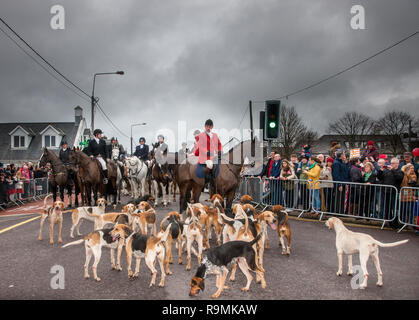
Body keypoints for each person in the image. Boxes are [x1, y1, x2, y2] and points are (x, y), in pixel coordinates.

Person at [194, 119, 222, 193]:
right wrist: (208, 153)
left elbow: (219, 144)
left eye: (210, 126)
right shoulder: (200, 136)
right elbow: (200, 146)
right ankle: (207, 184)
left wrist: (219, 151)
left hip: (214, 155)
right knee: (209, 165)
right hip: (205, 156)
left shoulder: (215, 135)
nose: (208, 128)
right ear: (205, 126)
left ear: (212, 127)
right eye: (207, 126)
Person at [376, 157, 404, 229]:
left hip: (394, 192)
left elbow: (399, 178)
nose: (391, 165)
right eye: (391, 163)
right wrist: (380, 171)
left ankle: (395, 224)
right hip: (385, 192)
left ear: (397, 164)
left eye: (393, 163)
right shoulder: (386, 171)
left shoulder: (399, 171)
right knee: (386, 208)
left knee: (394, 208)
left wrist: (392, 170)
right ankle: (389, 222)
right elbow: (379, 177)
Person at [399, 163, 418, 229]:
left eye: (413, 168)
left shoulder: (414, 175)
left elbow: (412, 183)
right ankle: (404, 223)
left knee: (410, 210)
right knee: (404, 210)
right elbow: (403, 183)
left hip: (411, 195)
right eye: (411, 168)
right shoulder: (403, 175)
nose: (412, 169)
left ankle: (411, 223)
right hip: (404, 195)